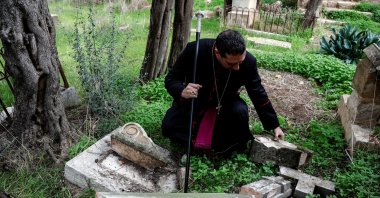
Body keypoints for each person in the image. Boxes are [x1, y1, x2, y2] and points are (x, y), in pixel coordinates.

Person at [162, 29, 284, 155]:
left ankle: (217, 145)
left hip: (226, 103)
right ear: (217, 53)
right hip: (196, 101)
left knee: (239, 112)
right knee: (169, 127)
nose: (237, 68)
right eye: (231, 64)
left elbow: (257, 93)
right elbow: (171, 79)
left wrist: (274, 125)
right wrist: (182, 90)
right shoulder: (195, 50)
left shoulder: (249, 62)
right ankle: (205, 143)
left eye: (240, 62)